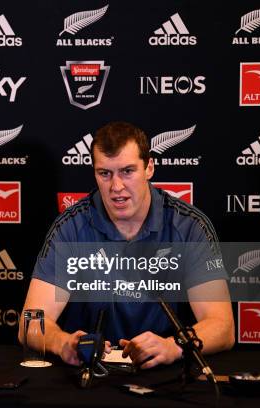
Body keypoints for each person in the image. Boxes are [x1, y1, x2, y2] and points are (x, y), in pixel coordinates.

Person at [19, 122, 234, 369]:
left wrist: (173, 346)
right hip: (90, 373)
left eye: (127, 171)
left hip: (168, 374)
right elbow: (31, 323)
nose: (116, 187)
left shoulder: (188, 226)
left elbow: (223, 326)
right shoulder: (71, 227)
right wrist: (62, 342)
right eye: (105, 173)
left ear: (149, 168)